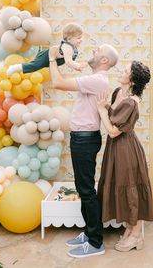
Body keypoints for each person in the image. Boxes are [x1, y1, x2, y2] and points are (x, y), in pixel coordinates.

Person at [48, 43, 119, 258]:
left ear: (105, 61)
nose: (93, 50)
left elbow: (57, 83)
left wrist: (52, 58)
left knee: (87, 190)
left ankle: (96, 242)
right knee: (83, 188)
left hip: (85, 140)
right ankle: (89, 234)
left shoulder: (97, 80)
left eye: (98, 50)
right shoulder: (94, 79)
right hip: (82, 139)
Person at [96, 61, 153, 252]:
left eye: (126, 70)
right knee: (124, 186)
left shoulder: (131, 102)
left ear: (132, 79)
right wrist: (107, 107)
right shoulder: (117, 93)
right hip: (116, 149)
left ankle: (137, 235)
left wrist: (101, 110)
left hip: (126, 150)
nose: (121, 71)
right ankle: (129, 229)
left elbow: (113, 131)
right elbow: (114, 114)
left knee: (131, 190)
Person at [7, 22, 85, 75]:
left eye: (81, 37)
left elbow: (70, 61)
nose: (81, 40)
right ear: (69, 38)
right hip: (46, 56)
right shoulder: (67, 47)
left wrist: (76, 68)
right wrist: (77, 65)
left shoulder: (73, 48)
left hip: (51, 58)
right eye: (78, 38)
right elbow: (68, 62)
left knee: (36, 67)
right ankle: (15, 67)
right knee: (34, 66)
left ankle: (16, 67)